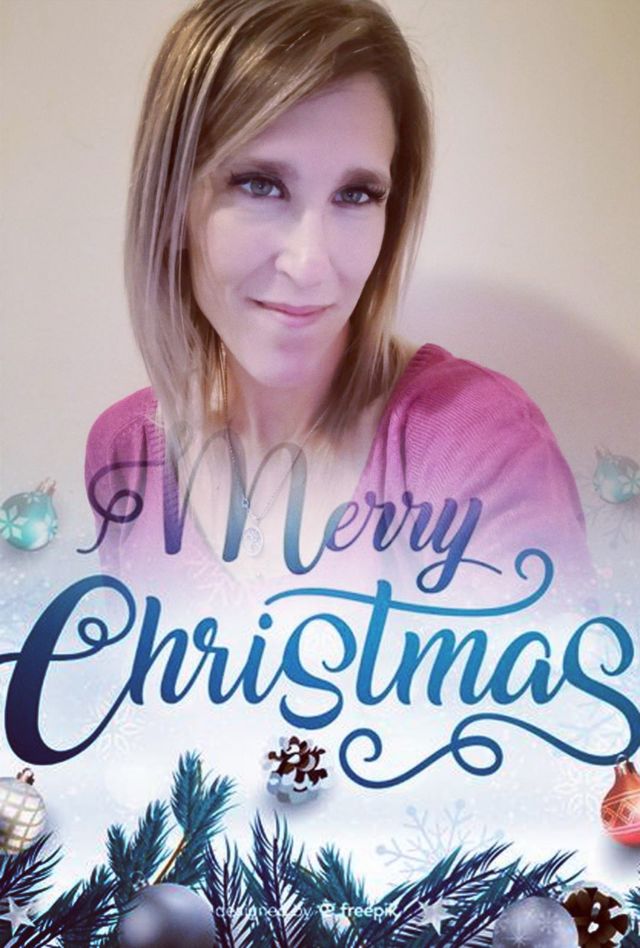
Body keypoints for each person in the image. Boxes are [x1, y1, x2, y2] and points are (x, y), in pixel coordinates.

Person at [85, 0, 591, 606]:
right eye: (260, 185)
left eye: (356, 194)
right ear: (172, 202)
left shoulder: (475, 446)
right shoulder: (124, 453)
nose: (309, 265)